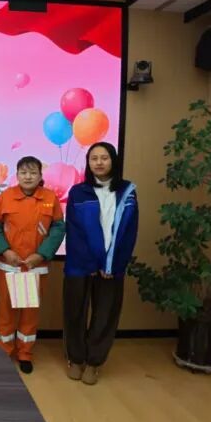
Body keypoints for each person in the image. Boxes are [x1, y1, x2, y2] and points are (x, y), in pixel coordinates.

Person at [63, 141, 138, 385]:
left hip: (112, 267)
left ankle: (94, 362)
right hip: (80, 264)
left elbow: (129, 233)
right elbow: (75, 232)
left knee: (105, 314)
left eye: (104, 158)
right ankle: (76, 359)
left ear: (113, 160)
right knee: (74, 311)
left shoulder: (127, 191)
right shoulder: (78, 192)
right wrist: (92, 263)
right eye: (94, 158)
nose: (99, 162)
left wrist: (113, 265)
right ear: (88, 163)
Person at [0, 156, 65, 373]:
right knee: (5, 312)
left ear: (40, 176)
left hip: (35, 267)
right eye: (23, 172)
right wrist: (5, 251)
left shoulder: (50, 198)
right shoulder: (5, 197)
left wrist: (41, 254)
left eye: (33, 172)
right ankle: (3, 352)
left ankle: (25, 353)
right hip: (9, 266)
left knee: (30, 313)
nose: (28, 177)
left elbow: (58, 229)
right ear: (17, 175)